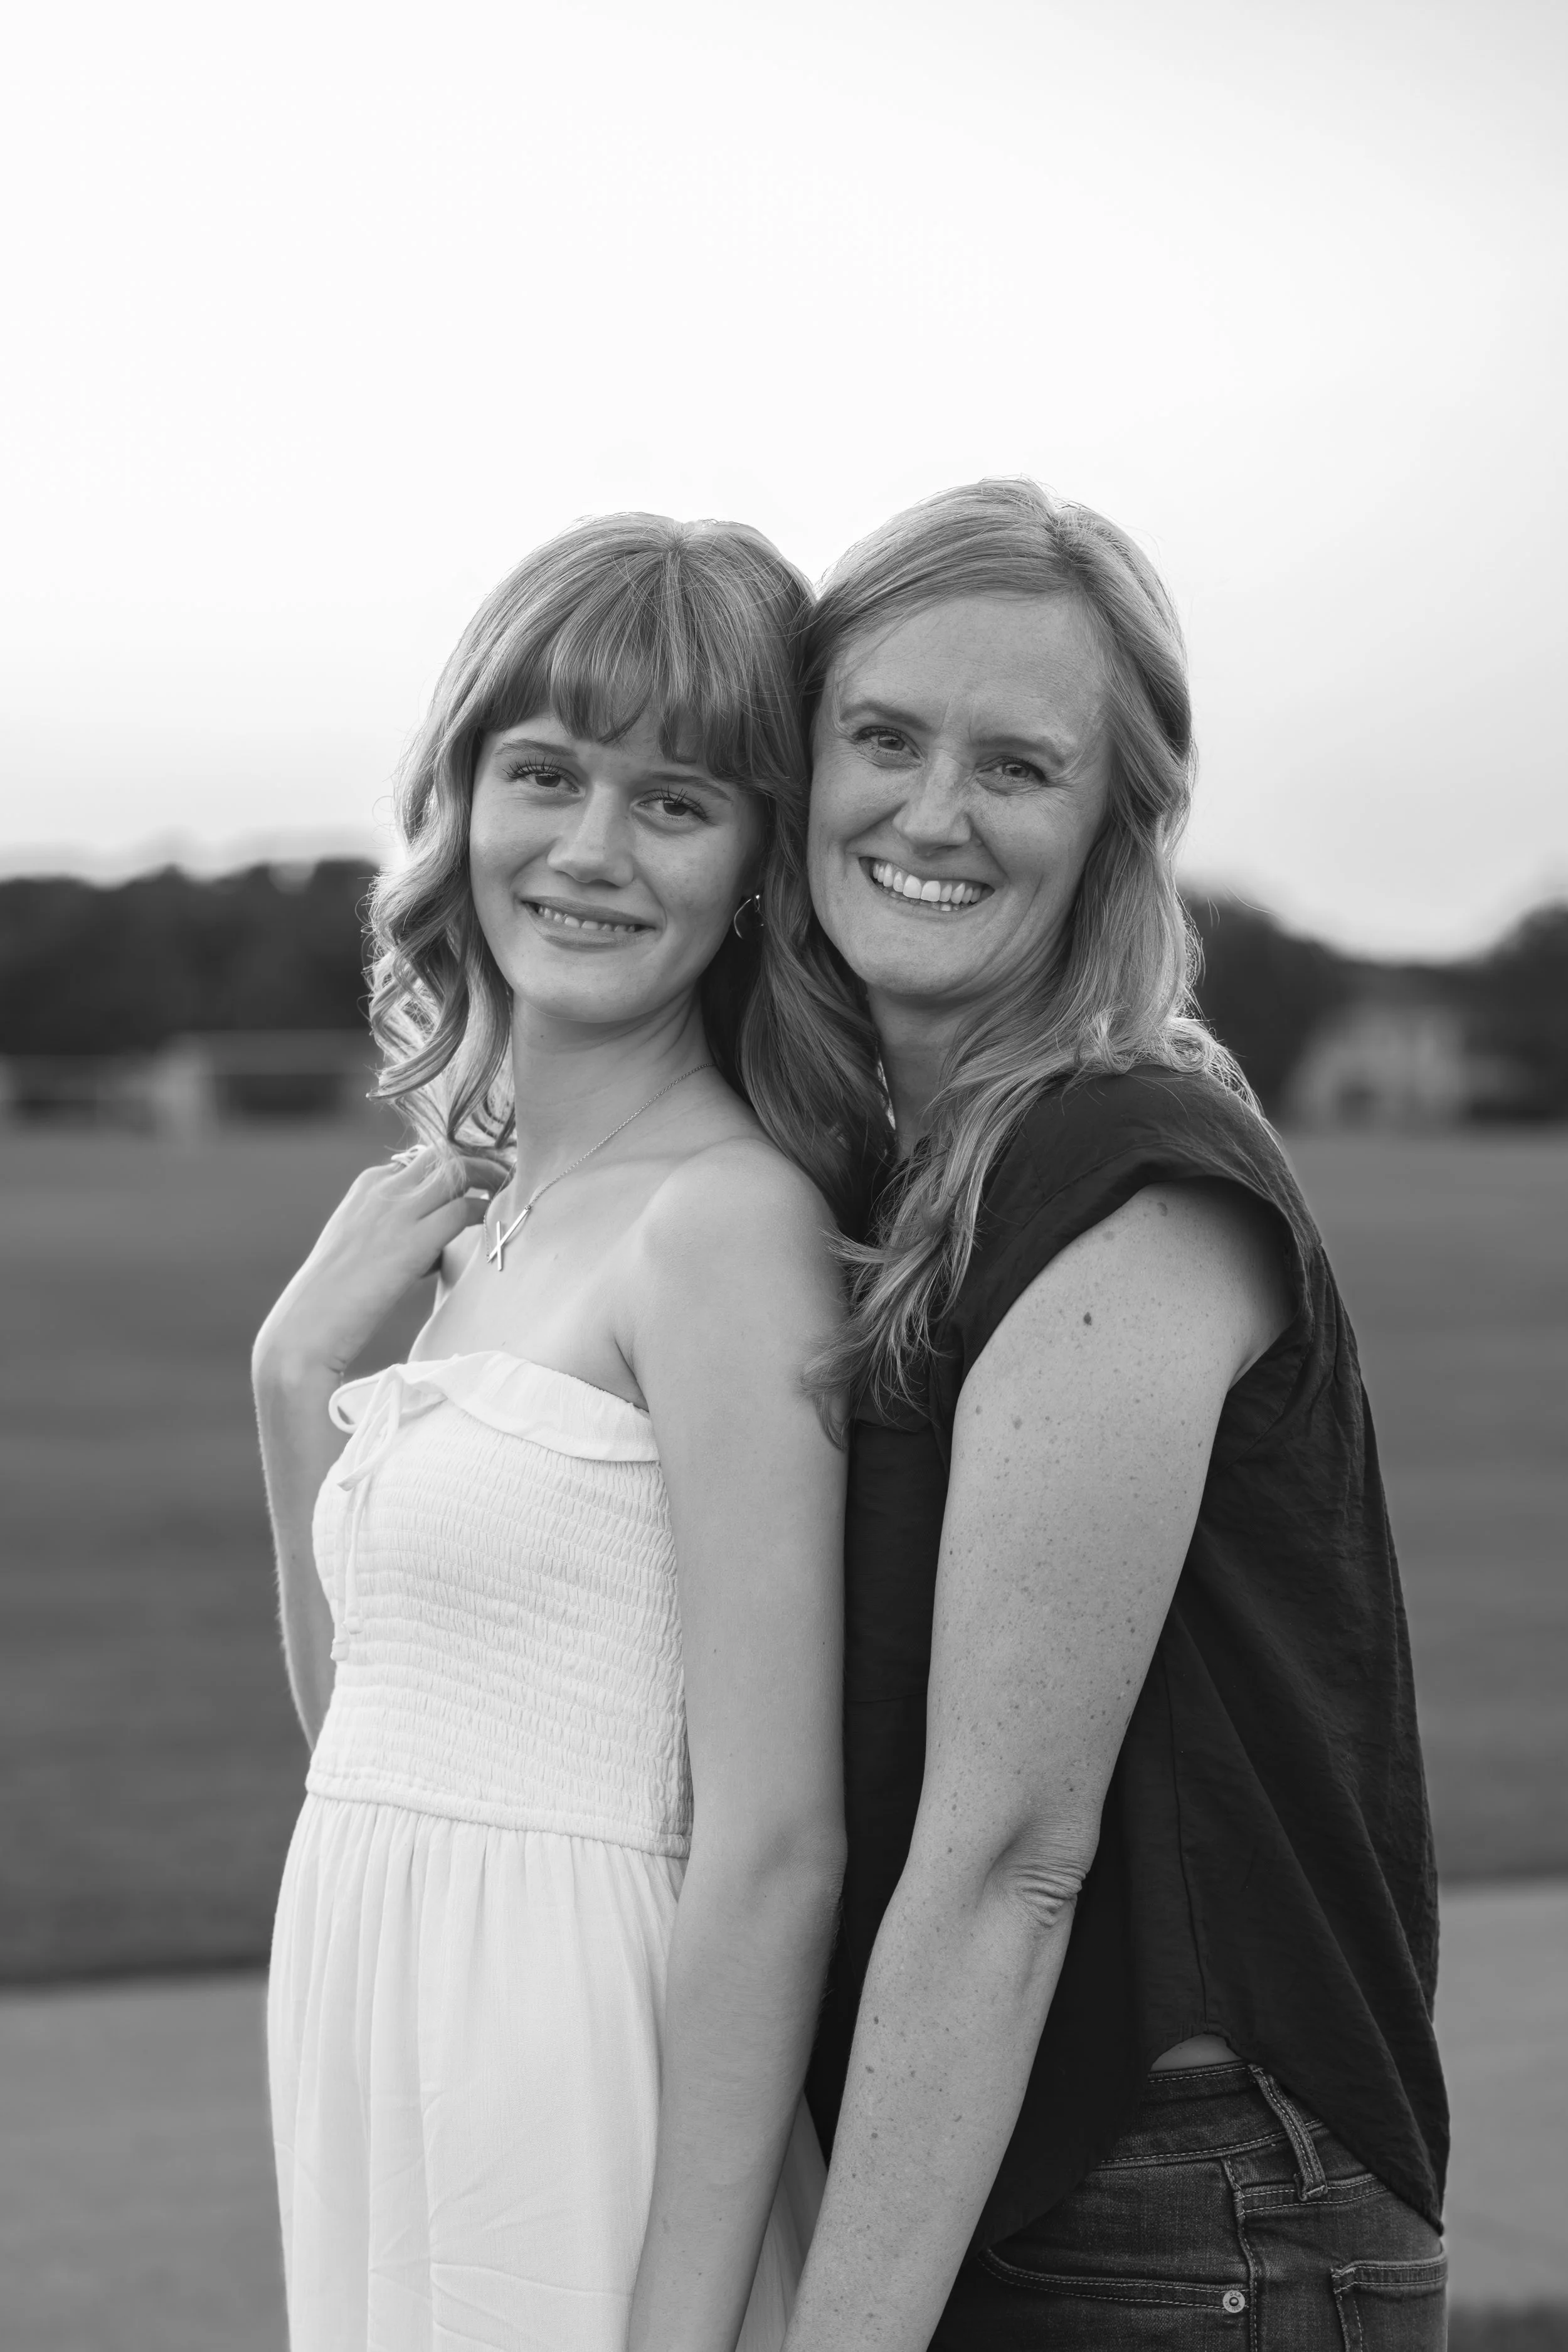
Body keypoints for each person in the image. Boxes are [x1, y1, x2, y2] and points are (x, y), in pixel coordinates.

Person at [775, 480, 1449, 2349]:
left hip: (1174, 2205)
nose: (929, 812)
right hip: (1016, 2169)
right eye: (883, 739)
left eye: (1015, 765)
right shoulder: (886, 1169)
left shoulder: (1128, 1166)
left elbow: (1015, 1848)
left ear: (1110, 827)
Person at [253, 514, 854, 2352]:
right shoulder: (483, 1218)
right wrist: (291, 1382)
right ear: (464, 798)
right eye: (544, 775)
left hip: (566, 2061)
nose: (588, 851)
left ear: (758, 860)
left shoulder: (724, 1224)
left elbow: (775, 1843)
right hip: (380, 2027)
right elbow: (364, 1726)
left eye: (674, 800)